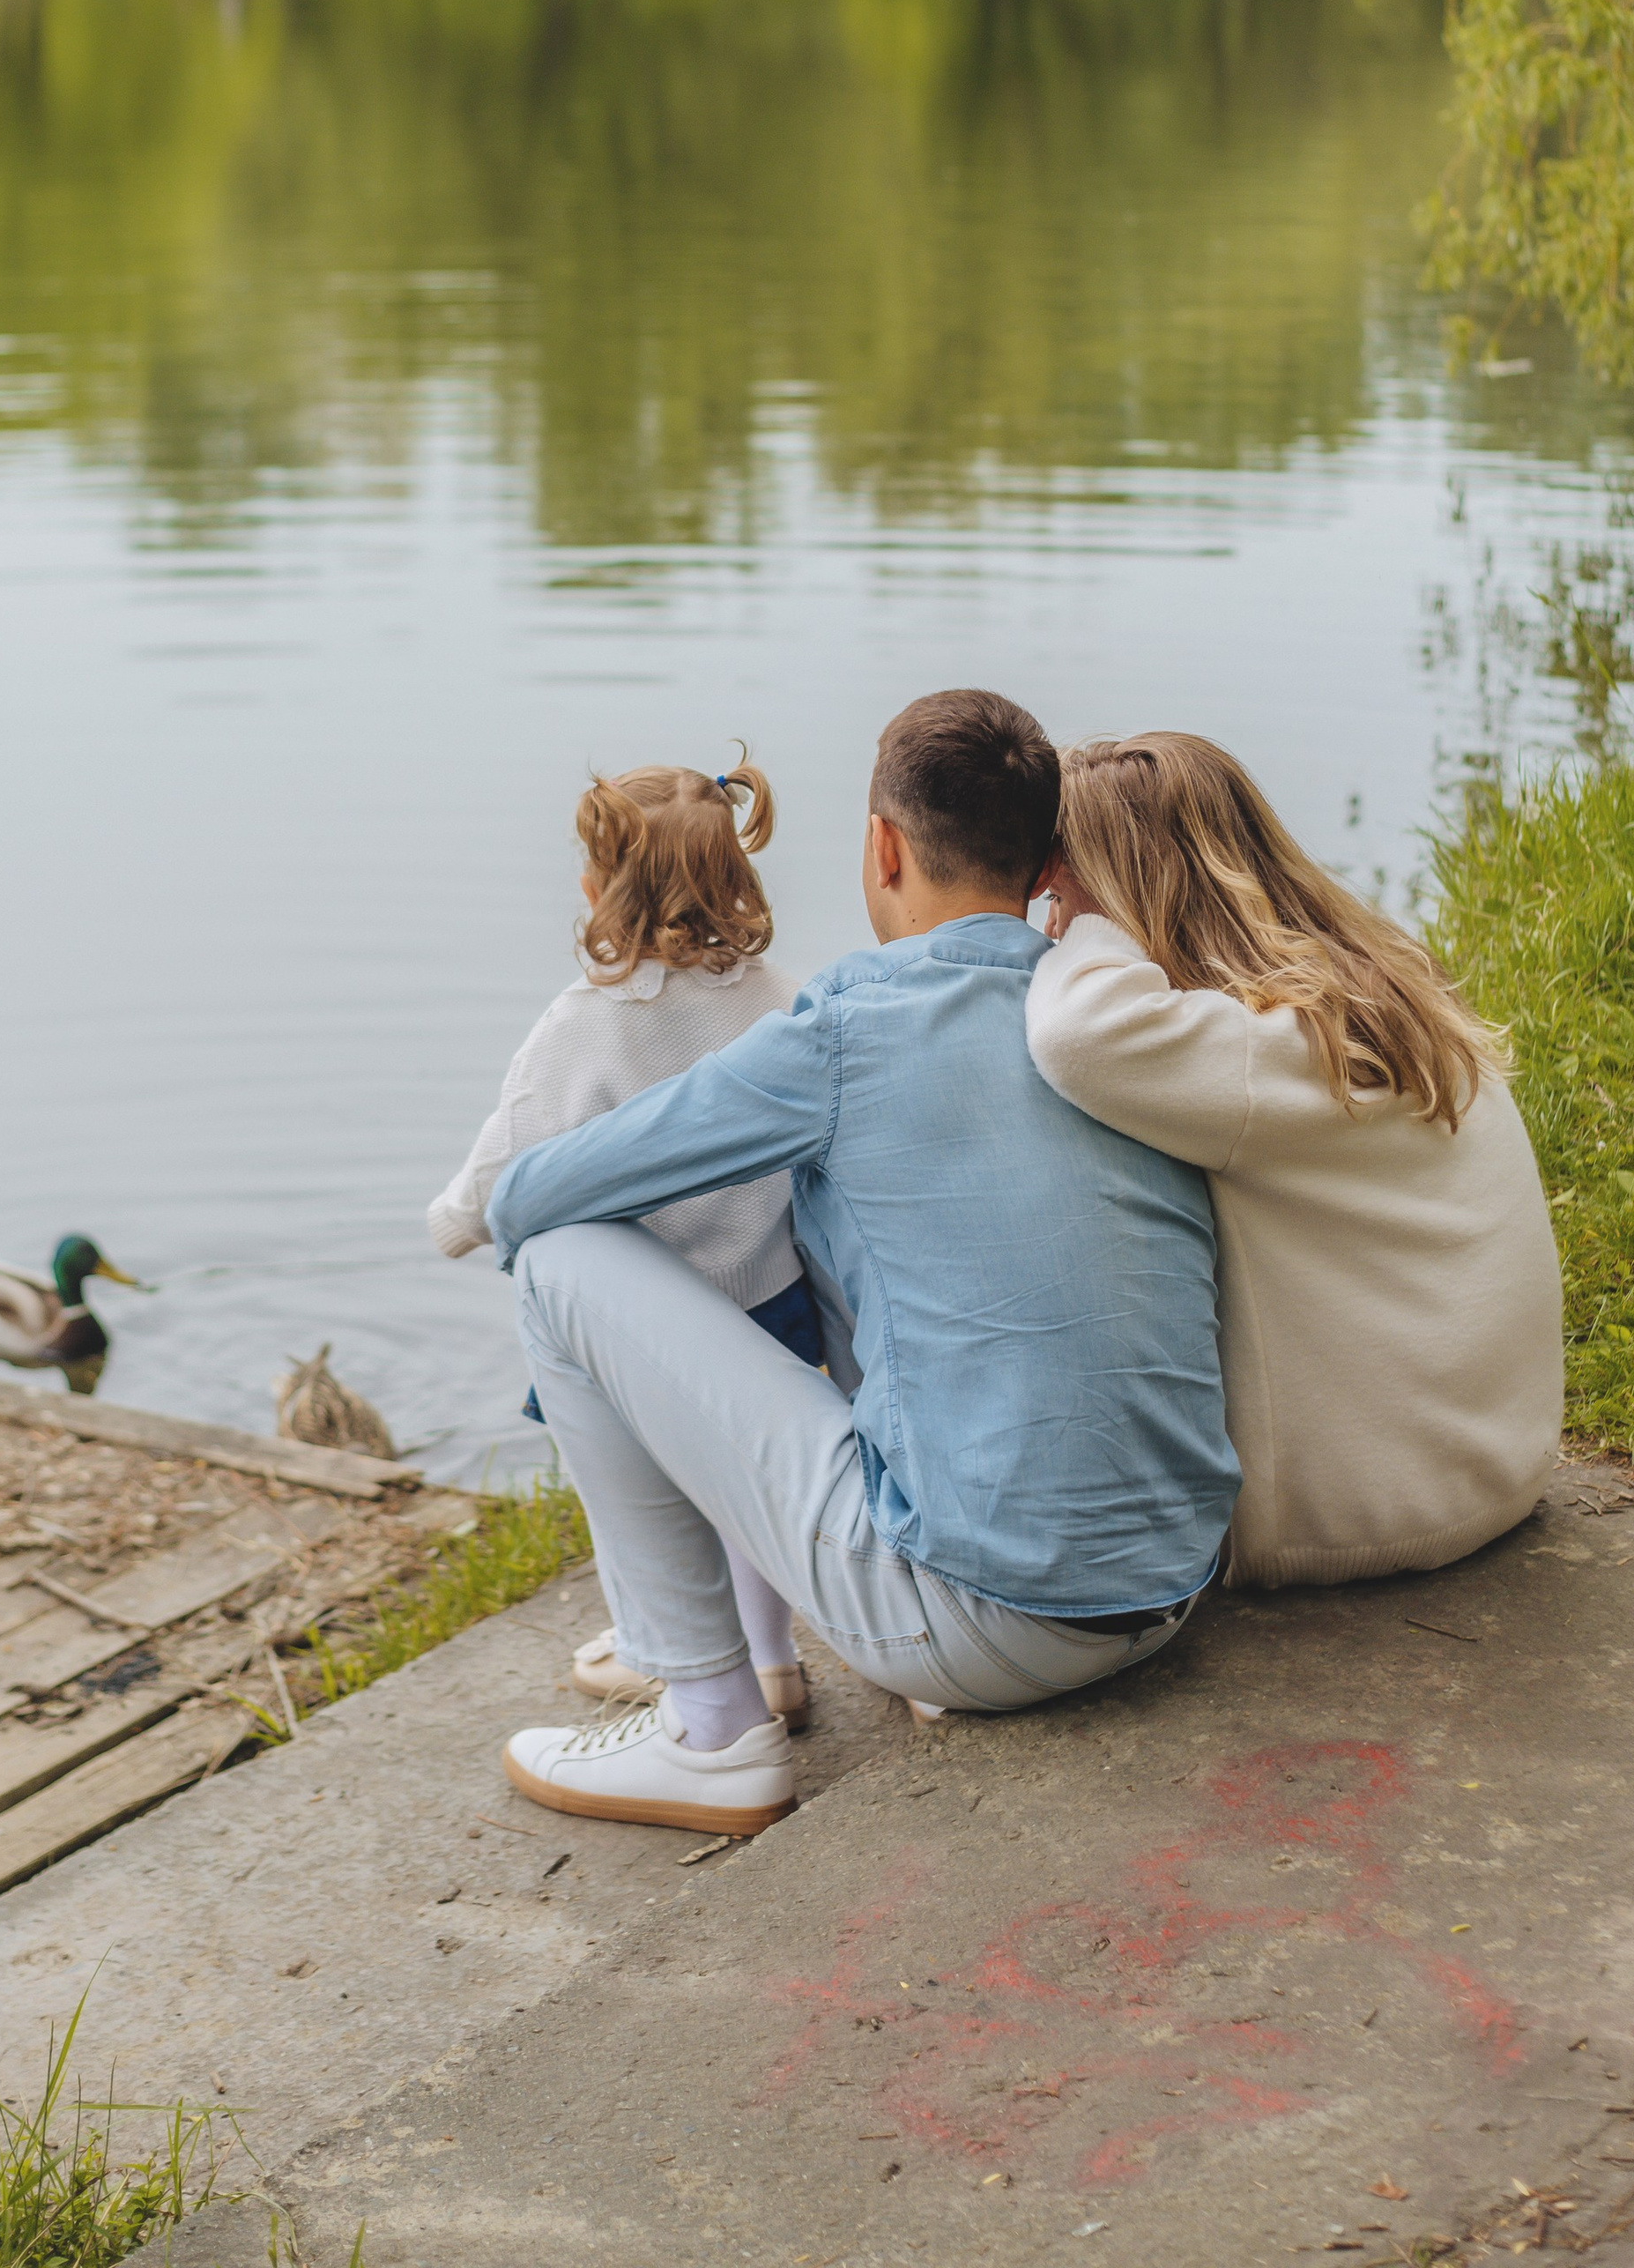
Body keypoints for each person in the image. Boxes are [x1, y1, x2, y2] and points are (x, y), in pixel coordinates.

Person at [481, 691, 1238, 1838]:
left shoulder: (844, 1030)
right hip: (1171, 1588)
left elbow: (530, 1199)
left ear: (882, 848)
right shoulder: (1106, 1006)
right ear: (1042, 858)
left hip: (986, 1628)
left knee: (560, 1265)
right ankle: (765, 1659)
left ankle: (710, 1725)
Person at [1024, 732, 1563, 1590]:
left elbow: (1072, 1036)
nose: (1048, 920)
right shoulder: (1368, 996)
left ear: (1123, 885)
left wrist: (1087, 927)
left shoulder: (1258, 1051)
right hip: (1496, 1462)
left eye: (1055, 889)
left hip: (1368, 1512)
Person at [427, 759, 820, 1724]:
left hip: (643, 1327)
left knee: (641, 1492)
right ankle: (772, 1662)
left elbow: (504, 1166)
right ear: (737, 878)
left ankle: (674, 1650)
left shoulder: (585, 1027)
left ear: (599, 889)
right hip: (773, 1299)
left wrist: (449, 1225)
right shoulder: (779, 996)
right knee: (750, 1490)